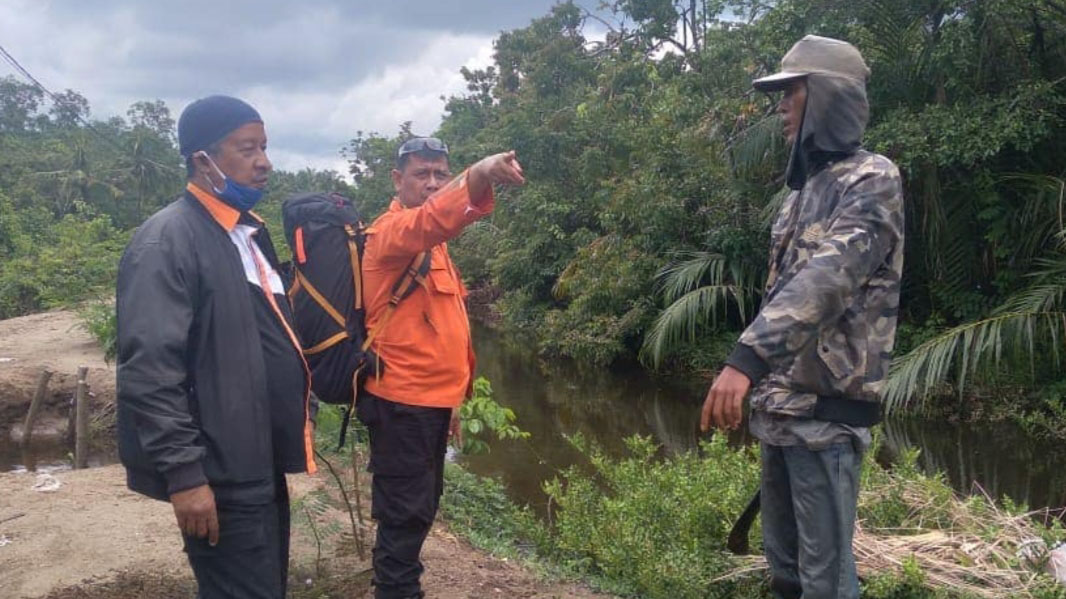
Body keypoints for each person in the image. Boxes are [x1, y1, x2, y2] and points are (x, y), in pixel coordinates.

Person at [700, 36, 905, 599]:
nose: (781, 106)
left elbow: (828, 279)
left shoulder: (873, 179)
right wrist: (761, 378)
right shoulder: (801, 191)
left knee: (827, 583)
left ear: (828, 96)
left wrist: (746, 359)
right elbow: (781, 292)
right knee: (785, 572)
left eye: (791, 92)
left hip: (826, 420)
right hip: (782, 413)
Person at [116, 95, 314, 599]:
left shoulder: (245, 236)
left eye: (265, 147)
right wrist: (185, 476)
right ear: (202, 160)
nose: (264, 161)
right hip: (219, 475)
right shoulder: (168, 240)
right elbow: (150, 371)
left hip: (257, 466)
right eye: (247, 148)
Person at [357, 137, 524, 599]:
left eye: (439, 174)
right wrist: (480, 171)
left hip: (430, 403)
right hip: (400, 403)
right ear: (397, 180)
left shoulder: (434, 248)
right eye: (420, 174)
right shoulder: (389, 235)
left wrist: (454, 401)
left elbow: (442, 330)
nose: (431, 184)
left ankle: (398, 587)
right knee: (404, 515)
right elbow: (434, 218)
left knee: (419, 510)